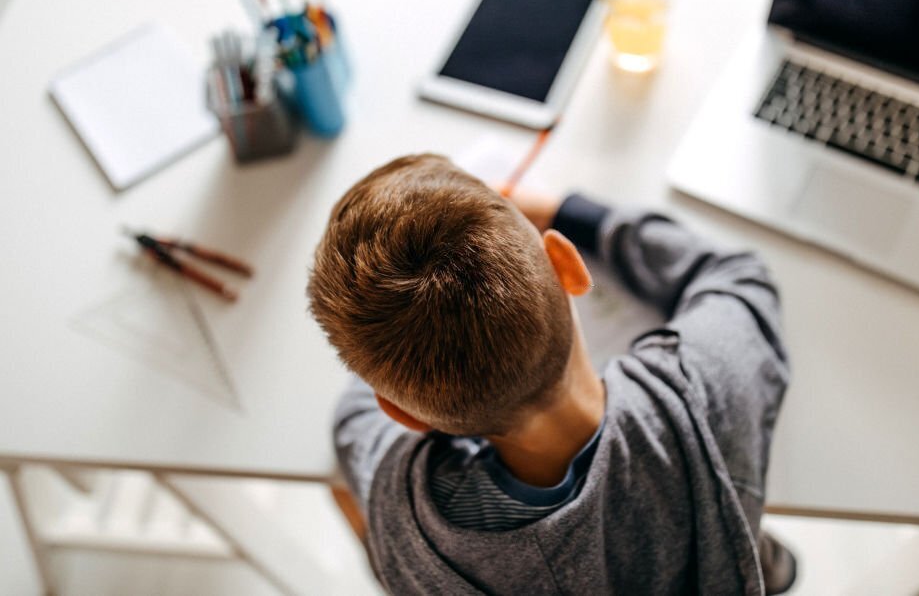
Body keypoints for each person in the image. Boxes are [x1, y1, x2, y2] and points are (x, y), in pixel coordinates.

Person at [307, 153, 796, 594]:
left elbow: (353, 421)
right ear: (567, 266)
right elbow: (736, 276)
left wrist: (390, 340)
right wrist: (571, 211)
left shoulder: (402, 508)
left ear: (402, 414)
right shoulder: (704, 393)